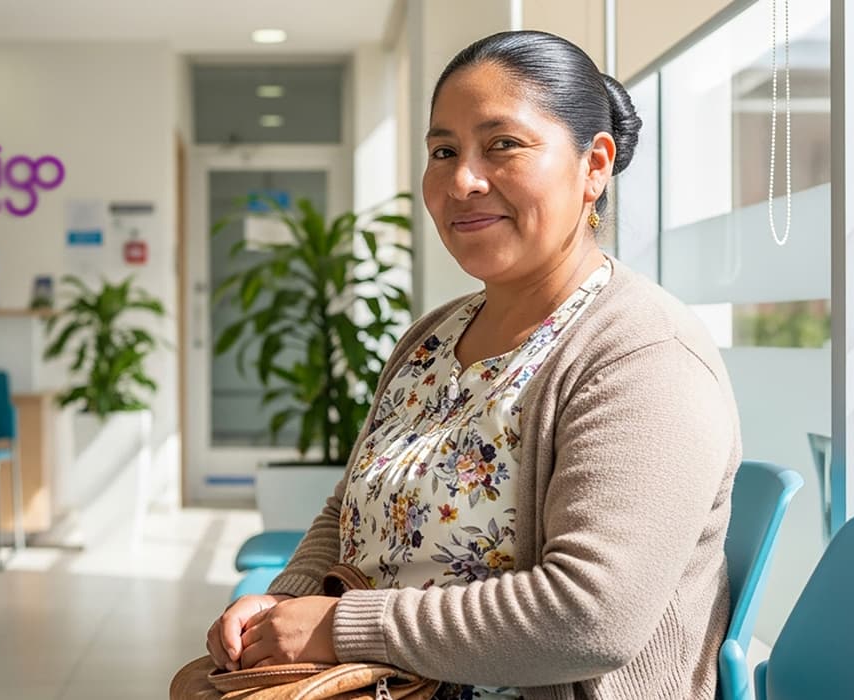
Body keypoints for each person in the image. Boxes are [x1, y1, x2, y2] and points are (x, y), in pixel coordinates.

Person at [204, 30, 741, 700]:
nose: (463, 180)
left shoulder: (641, 356)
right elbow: (352, 507)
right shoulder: (432, 338)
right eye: (443, 151)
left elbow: (589, 619)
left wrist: (343, 626)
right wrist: (286, 601)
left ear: (594, 164)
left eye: (503, 145)